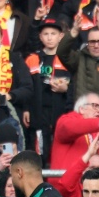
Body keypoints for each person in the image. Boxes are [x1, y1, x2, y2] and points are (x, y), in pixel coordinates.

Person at [24, 18, 70, 168]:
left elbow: (76, 85)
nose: (49, 37)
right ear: (40, 36)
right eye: (46, 34)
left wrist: (66, 89)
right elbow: (26, 87)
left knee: (59, 156)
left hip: (61, 113)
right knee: (39, 155)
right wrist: (25, 108)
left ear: (61, 36)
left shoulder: (68, 58)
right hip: (38, 116)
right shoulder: (32, 59)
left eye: (53, 33)